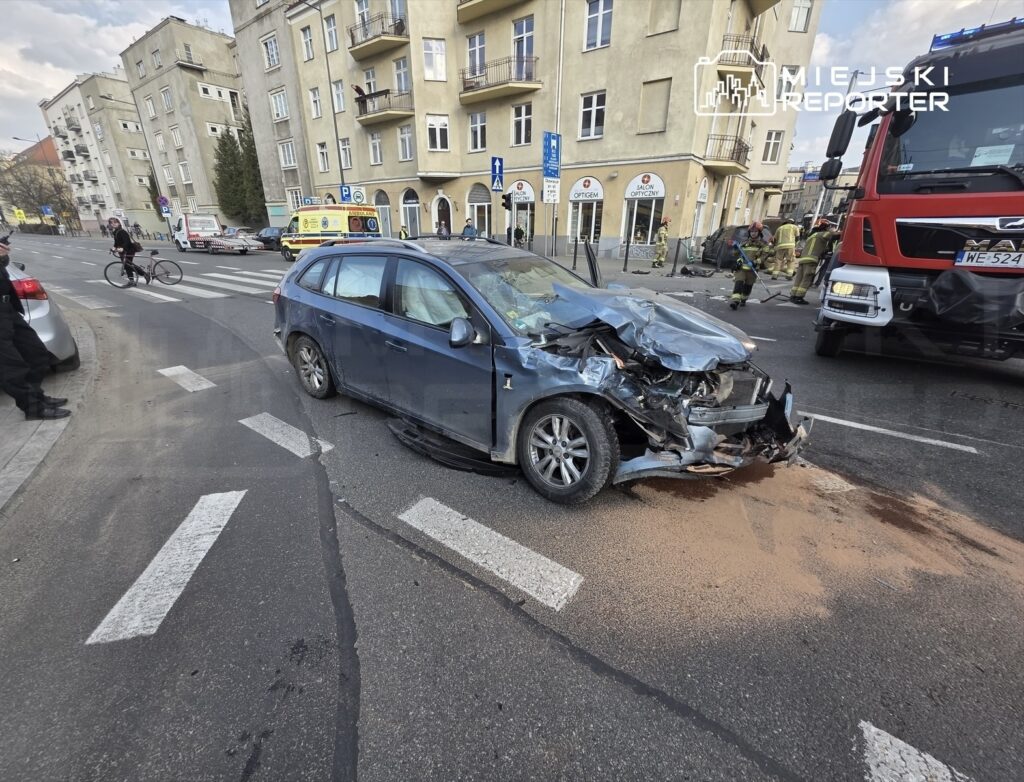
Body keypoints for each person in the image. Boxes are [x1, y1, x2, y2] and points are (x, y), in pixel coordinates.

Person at [0, 242, 71, 420]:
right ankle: (33, 409)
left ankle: (37, 397)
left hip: (8, 308)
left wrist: (3, 256)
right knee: (11, 365)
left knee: (36, 352)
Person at [791, 219, 837, 304]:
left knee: (799, 278)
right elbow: (832, 234)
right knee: (806, 279)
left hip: (803, 259)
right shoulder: (822, 234)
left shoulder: (812, 236)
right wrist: (835, 231)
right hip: (811, 260)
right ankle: (799, 297)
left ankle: (793, 295)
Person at [729, 222, 769, 310]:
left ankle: (743, 299)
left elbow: (765, 255)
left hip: (753, 269)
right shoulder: (744, 242)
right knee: (738, 282)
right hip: (741, 268)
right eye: (751, 231)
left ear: (759, 232)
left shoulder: (763, 244)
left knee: (748, 285)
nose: (753, 233)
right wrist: (735, 249)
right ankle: (735, 301)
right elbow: (736, 254)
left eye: (755, 231)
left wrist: (756, 261)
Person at [109, 217, 144, 285]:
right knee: (127, 265)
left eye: (115, 222)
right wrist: (113, 248)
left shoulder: (122, 231)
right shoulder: (115, 231)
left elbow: (127, 242)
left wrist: (122, 248)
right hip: (122, 251)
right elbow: (116, 242)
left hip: (129, 250)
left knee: (128, 265)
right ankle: (134, 279)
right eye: (111, 223)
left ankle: (137, 277)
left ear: (119, 223)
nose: (113, 224)